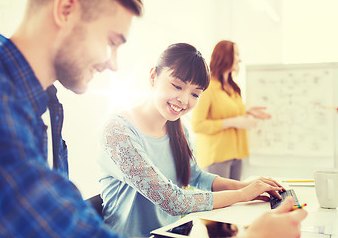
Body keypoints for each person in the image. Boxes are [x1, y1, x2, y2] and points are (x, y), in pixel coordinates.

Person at [0, 0, 143, 237]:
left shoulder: (47, 105)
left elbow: (63, 204)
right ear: (65, 10)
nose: (113, 63)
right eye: (111, 42)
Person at [97, 43, 306, 237]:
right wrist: (244, 193)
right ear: (153, 76)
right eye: (177, 86)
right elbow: (173, 201)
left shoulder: (178, 129)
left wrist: (249, 187)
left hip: (172, 233)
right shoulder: (118, 132)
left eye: (195, 94)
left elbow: (198, 178)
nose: (184, 100)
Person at [191, 40, 271, 180]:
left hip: (237, 154)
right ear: (225, 56)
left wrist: (247, 112)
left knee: (235, 200)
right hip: (217, 156)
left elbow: (226, 111)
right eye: (237, 54)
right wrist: (234, 122)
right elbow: (197, 125)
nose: (239, 59)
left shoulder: (233, 87)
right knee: (222, 200)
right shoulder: (207, 87)